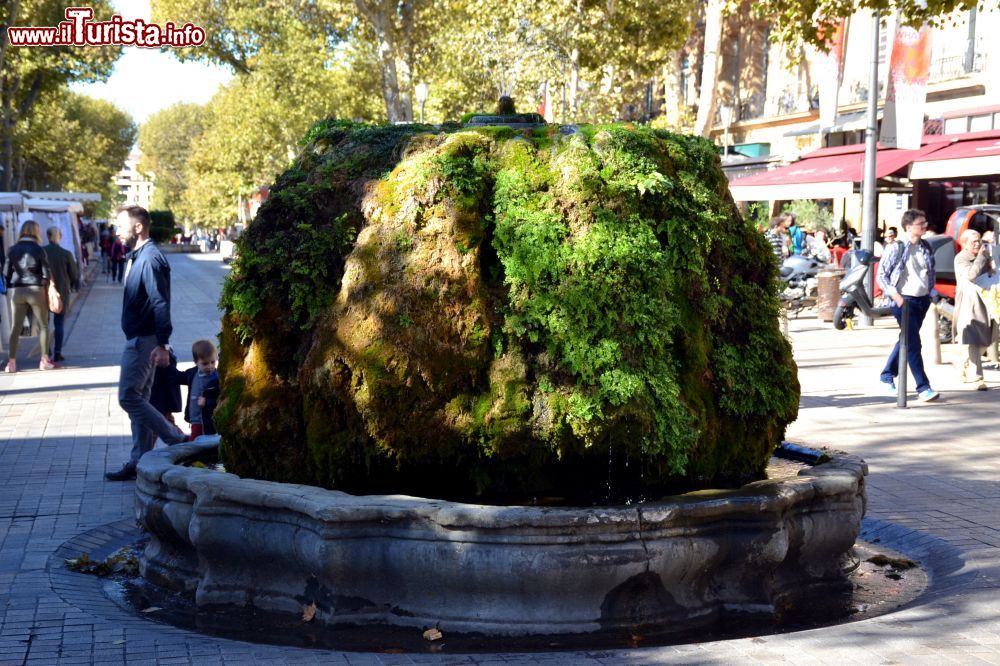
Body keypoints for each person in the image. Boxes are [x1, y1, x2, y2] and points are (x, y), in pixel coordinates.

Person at [106, 205, 187, 481]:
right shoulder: (138, 255)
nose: (116, 231)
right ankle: (139, 460)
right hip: (140, 337)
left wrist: (163, 343)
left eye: (121, 225)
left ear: (138, 227)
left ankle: (176, 439)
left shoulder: (150, 258)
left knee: (128, 397)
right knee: (139, 398)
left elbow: (160, 302)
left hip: (145, 340)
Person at [876, 209, 939, 402]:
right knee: (913, 343)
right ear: (909, 226)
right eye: (921, 223)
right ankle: (923, 387)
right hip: (903, 300)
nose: (925, 226)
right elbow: (881, 276)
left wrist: (931, 293)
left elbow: (930, 272)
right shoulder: (896, 247)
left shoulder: (926, 246)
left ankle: (887, 375)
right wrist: (896, 296)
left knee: (906, 340)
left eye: (925, 223)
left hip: (921, 300)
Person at [3, 220, 58, 372]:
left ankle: (11, 363)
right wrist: (45, 284)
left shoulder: (12, 249)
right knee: (44, 326)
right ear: (36, 231)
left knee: (16, 327)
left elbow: (6, 273)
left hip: (18, 290)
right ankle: (44, 361)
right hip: (36, 290)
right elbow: (46, 273)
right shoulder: (39, 249)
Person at [952, 229, 995, 391]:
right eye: (973, 241)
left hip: (986, 300)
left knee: (988, 338)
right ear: (964, 243)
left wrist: (991, 267)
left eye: (979, 241)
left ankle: (962, 362)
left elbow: (990, 270)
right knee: (974, 339)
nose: (978, 244)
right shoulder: (961, 258)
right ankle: (978, 377)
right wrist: (981, 258)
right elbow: (971, 275)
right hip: (969, 301)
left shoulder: (984, 256)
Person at [43, 226, 80, 363]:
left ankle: (46, 350)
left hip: (44, 291)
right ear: (60, 236)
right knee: (59, 323)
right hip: (61, 291)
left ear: (48, 236)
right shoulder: (66, 253)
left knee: (44, 324)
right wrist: (72, 286)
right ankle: (58, 352)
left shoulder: (42, 252)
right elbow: (74, 274)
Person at [185, 339, 220, 438]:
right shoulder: (193, 373)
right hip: (195, 420)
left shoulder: (216, 378)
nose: (210, 366)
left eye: (213, 362)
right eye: (205, 363)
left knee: (196, 446)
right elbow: (177, 377)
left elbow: (220, 399)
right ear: (195, 362)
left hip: (206, 422)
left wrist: (207, 401)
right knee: (194, 442)